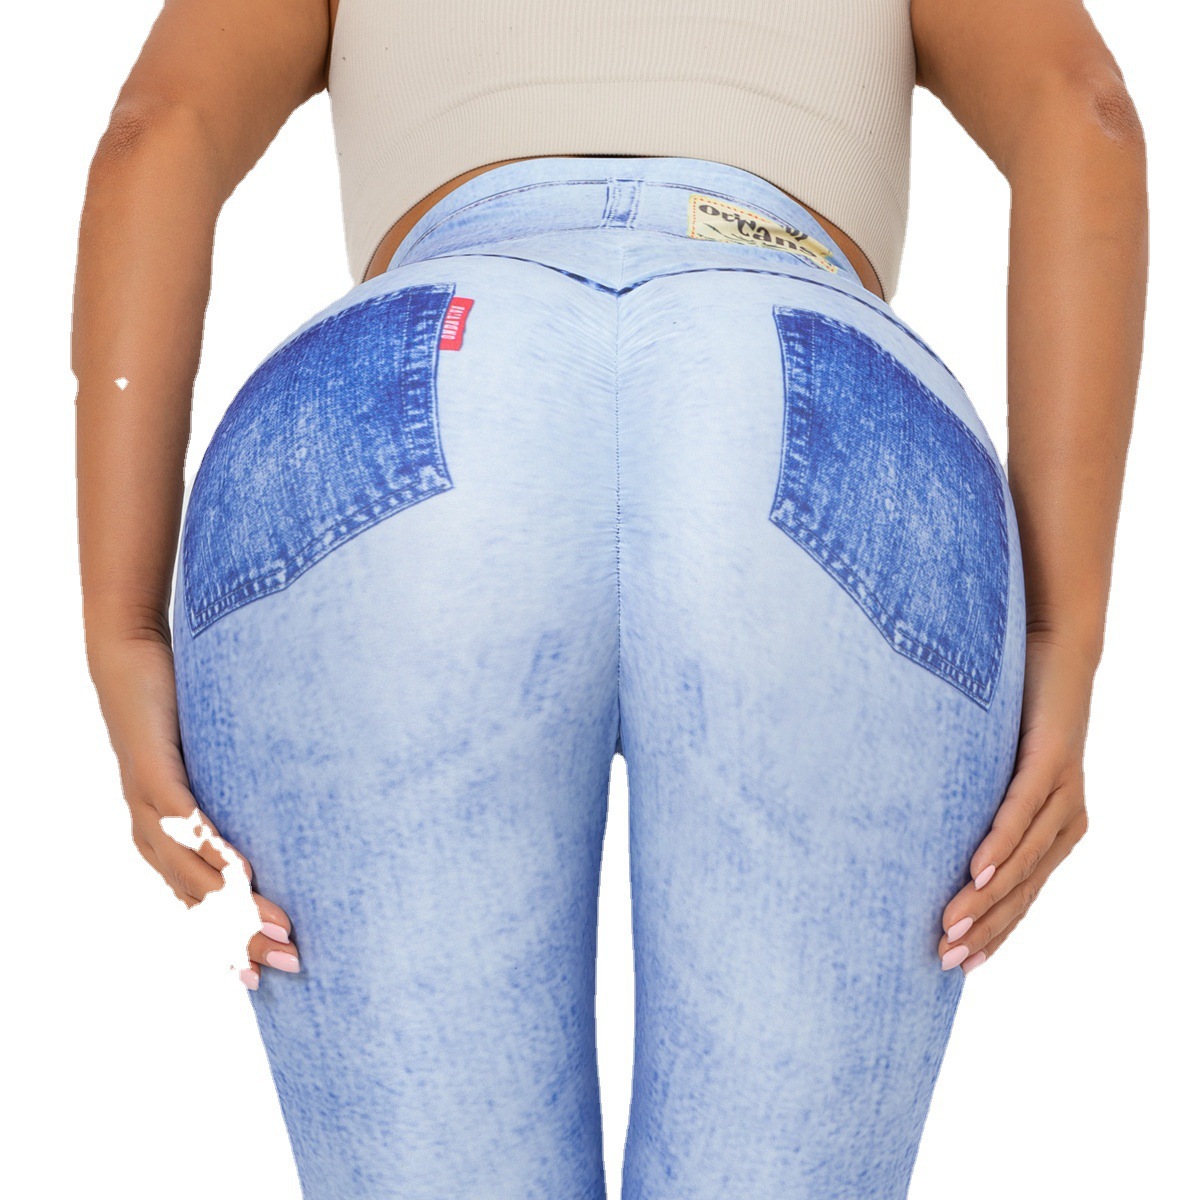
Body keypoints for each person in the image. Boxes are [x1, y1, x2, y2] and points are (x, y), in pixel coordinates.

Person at [71, 0, 1146, 1196]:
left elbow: (156, 130)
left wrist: (121, 628)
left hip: (425, 381)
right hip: (805, 393)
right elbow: (1085, 111)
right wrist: (1064, 635)